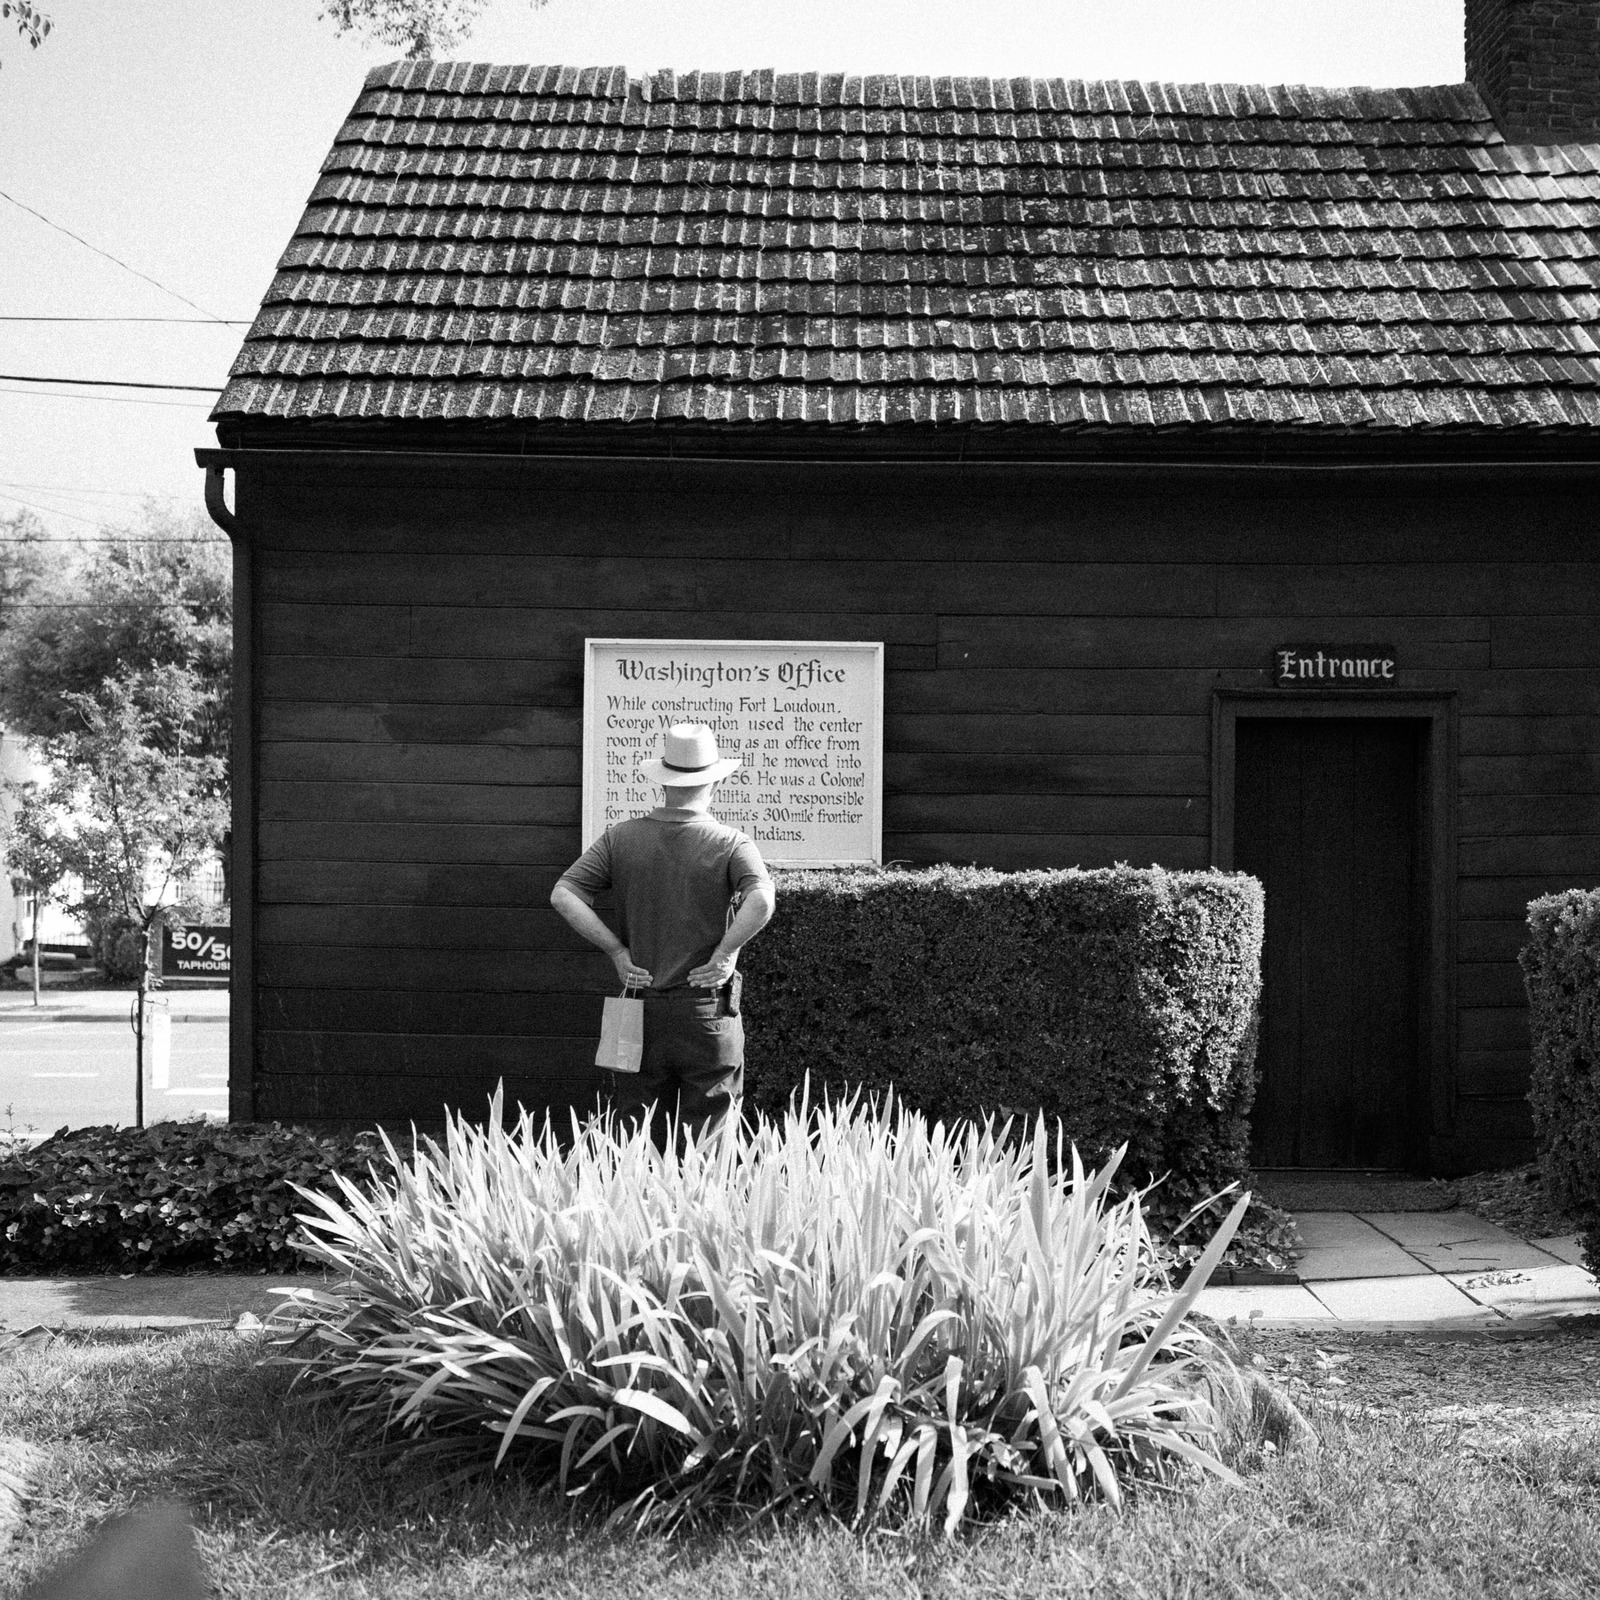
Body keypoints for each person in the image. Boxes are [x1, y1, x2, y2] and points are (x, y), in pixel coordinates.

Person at [551, 722, 775, 1146]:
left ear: (664, 780)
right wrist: (726, 954)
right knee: (709, 1143)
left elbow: (564, 895)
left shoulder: (620, 838)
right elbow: (761, 902)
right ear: (716, 781)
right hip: (706, 1011)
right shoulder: (732, 843)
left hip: (640, 1009)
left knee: (637, 1136)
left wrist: (617, 952)